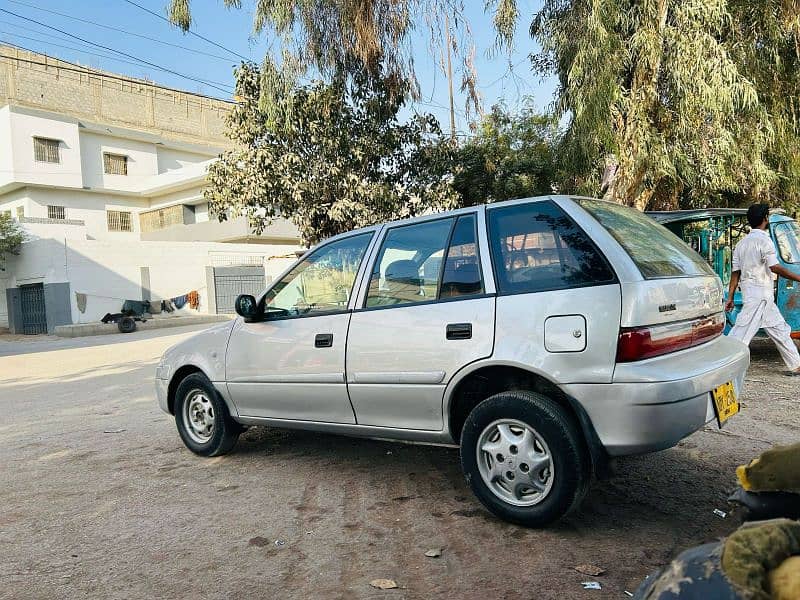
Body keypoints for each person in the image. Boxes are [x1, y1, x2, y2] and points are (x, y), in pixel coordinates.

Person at [725, 203, 800, 374]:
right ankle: (722, 366)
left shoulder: (741, 244)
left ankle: (796, 364)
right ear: (766, 218)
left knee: (780, 330)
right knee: (740, 335)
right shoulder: (764, 241)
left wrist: (730, 297)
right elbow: (774, 267)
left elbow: (735, 274)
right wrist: (797, 277)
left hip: (755, 295)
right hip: (760, 296)